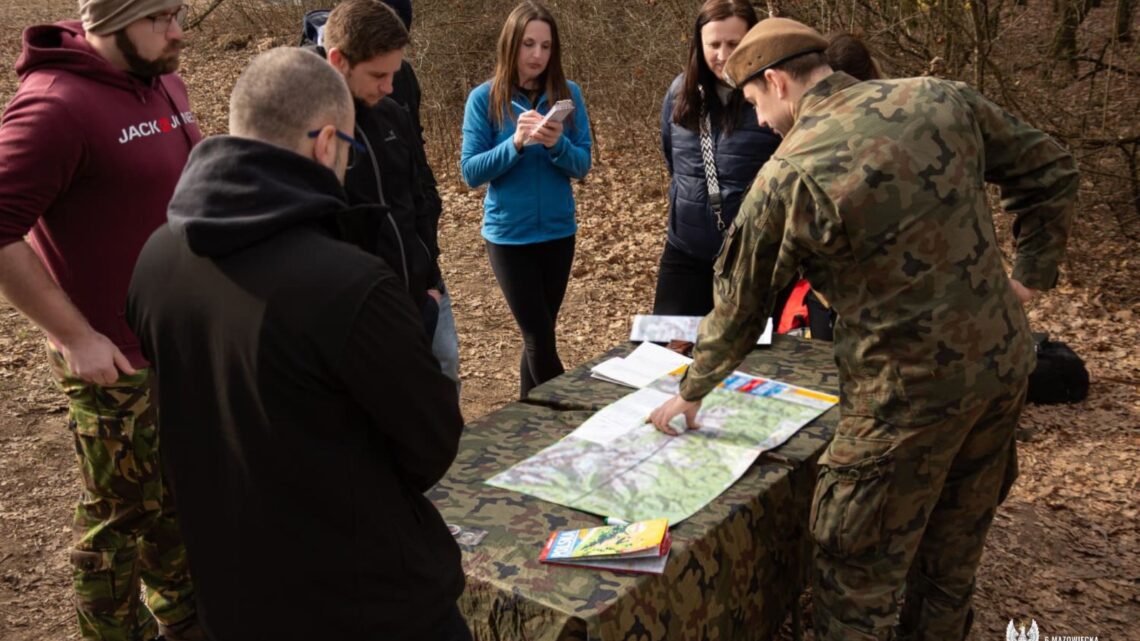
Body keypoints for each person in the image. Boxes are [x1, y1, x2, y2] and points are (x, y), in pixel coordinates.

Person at [648, 17, 1077, 641]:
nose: (761, 121)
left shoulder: (791, 172)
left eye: (756, 102)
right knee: (952, 556)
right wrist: (1026, 279)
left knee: (856, 574)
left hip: (903, 401)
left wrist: (691, 391)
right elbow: (1053, 169)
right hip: (1002, 369)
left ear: (778, 82)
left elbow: (738, 306)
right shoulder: (939, 97)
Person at [126, 47, 469, 640]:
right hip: (372, 606)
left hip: (234, 598)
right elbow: (432, 446)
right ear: (326, 143)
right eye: (351, 148)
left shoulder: (155, 261)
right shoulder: (351, 284)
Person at [0, 1, 203, 638]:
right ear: (111, 21)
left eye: (178, 12)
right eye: (160, 17)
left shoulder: (163, 79)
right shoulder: (54, 106)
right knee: (120, 520)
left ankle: (186, 620)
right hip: (117, 364)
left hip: (180, 343)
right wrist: (74, 335)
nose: (178, 31)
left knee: (178, 498)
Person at [460, 0, 592, 399]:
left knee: (541, 333)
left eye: (546, 46)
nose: (537, 55)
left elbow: (582, 165)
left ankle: (527, 416)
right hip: (509, 237)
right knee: (538, 337)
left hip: (558, 233)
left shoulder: (568, 95)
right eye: (528, 44)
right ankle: (569, 413)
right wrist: (515, 143)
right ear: (511, 44)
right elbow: (471, 172)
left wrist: (557, 145)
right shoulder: (484, 99)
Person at [306, 0, 444, 342]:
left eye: (394, 74)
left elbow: (418, 197)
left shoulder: (392, 114)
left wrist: (430, 280)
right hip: (356, 321)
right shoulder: (306, 132)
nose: (389, 88)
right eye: (379, 75)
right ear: (338, 61)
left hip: (417, 299)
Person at [653, 0, 781, 317]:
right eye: (714, 45)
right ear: (699, 45)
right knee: (667, 345)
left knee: (754, 348)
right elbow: (672, 160)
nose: (723, 56)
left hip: (754, 260)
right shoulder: (679, 92)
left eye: (734, 44)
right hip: (685, 252)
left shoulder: (773, 96)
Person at [379, 0, 462, 387]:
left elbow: (418, 162)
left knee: (444, 366)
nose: (386, 85)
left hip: (422, 262)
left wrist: (427, 249)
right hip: (376, 281)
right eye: (379, 73)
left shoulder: (406, 77)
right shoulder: (320, 89)